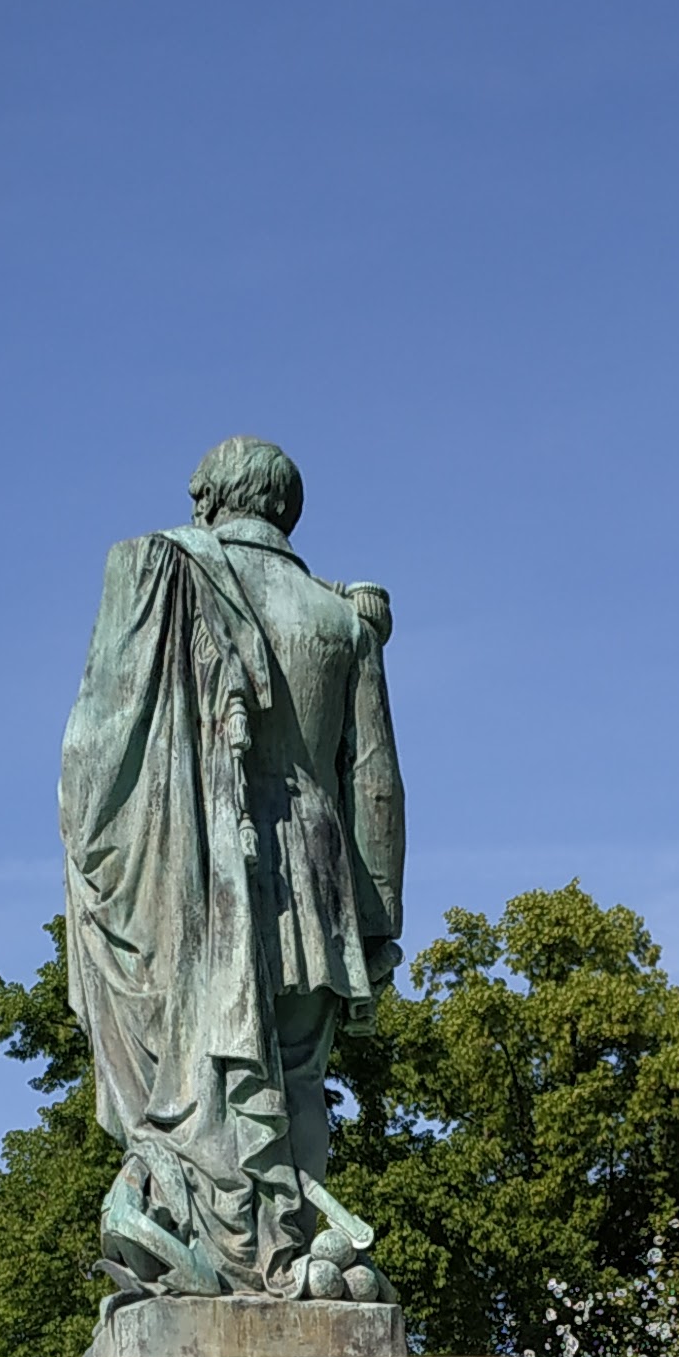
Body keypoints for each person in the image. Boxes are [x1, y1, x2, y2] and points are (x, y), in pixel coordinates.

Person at [58, 438, 405, 1305]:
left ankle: (221, 1259)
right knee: (295, 1080)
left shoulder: (160, 570)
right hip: (316, 880)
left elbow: (97, 745)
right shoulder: (345, 623)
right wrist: (379, 924)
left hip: (196, 870)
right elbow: (374, 784)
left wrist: (100, 861)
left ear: (209, 500)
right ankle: (290, 1263)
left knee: (202, 1084)